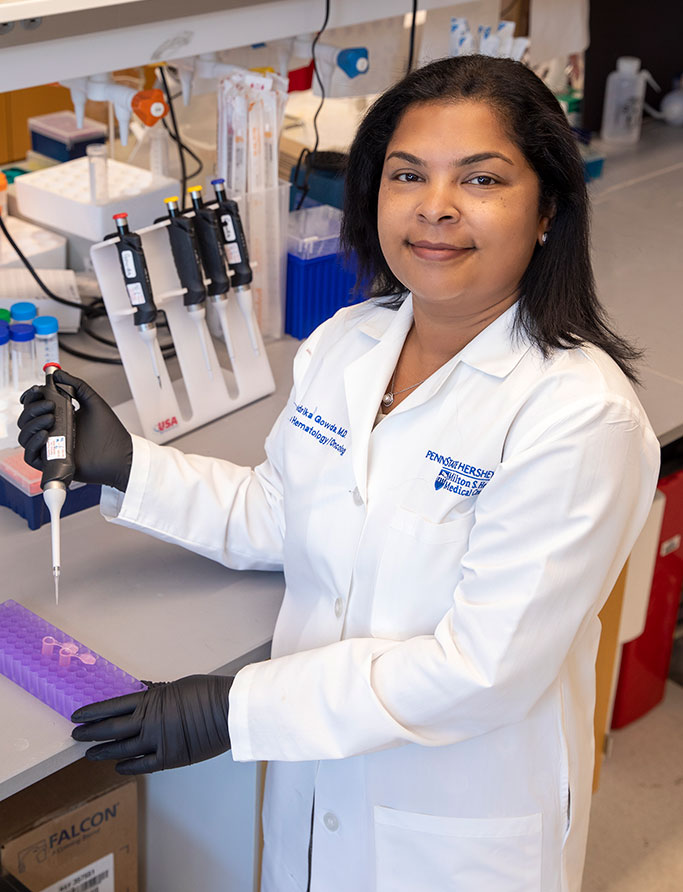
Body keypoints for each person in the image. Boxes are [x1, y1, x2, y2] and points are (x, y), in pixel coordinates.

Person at [18, 55, 660, 892]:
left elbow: (478, 672)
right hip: (316, 798)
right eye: (406, 174)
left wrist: (234, 708)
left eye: (481, 179)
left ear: (546, 211)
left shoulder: (578, 419)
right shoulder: (351, 344)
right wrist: (130, 465)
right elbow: (286, 513)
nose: (434, 207)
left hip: (453, 830)